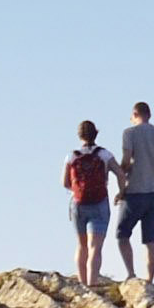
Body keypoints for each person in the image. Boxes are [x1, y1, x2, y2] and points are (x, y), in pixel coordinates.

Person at [113, 103, 154, 292]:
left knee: (122, 234)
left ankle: (131, 273)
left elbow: (126, 159)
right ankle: (149, 279)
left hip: (135, 191)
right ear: (149, 114)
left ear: (135, 114)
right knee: (150, 240)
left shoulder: (130, 133)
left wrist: (121, 178)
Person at [62, 120, 115, 285]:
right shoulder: (104, 154)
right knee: (95, 247)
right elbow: (120, 173)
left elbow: (64, 182)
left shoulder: (72, 156)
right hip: (99, 202)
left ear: (79, 135)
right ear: (96, 133)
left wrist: (78, 190)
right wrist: (121, 192)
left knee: (81, 245)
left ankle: (82, 283)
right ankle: (92, 283)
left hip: (78, 204)